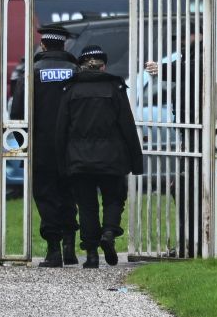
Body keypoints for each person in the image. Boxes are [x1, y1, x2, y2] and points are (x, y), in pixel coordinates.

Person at [56, 45, 143, 268]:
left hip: (79, 158)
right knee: (114, 198)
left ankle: (92, 254)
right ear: (103, 66)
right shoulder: (114, 87)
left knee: (86, 206)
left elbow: (61, 130)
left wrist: (62, 163)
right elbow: (127, 126)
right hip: (112, 157)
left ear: (82, 66)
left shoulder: (71, 90)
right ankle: (109, 232)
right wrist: (136, 161)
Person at [9, 25, 79, 268]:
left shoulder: (32, 73)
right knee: (69, 194)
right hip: (72, 148)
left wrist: (24, 143)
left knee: (46, 196)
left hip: (42, 146)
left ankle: (53, 250)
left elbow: (17, 112)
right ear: (64, 45)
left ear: (44, 45)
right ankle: (70, 245)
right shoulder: (76, 71)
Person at [144, 26, 204, 258]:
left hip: (198, 131)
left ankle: (193, 244)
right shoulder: (187, 57)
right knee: (182, 187)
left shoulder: (202, 56)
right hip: (189, 131)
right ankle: (188, 243)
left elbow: (193, 70)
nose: (180, 40)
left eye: (184, 35)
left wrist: (163, 69)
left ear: (199, 35)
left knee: (188, 188)